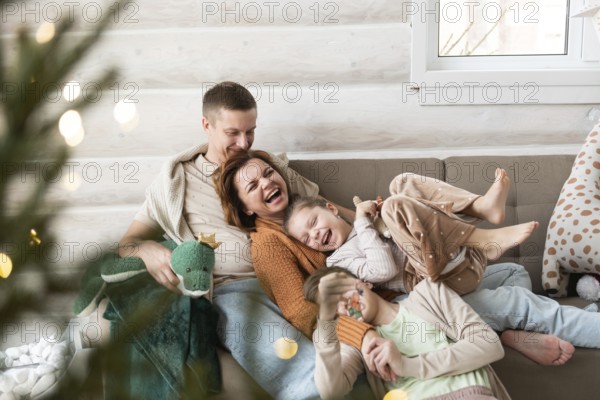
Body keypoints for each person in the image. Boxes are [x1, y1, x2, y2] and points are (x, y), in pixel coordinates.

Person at [218, 150, 600, 368]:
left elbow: (356, 230)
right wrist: (367, 334)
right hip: (404, 303)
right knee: (518, 301)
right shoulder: (270, 244)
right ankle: (485, 240)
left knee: (514, 272)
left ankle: (510, 331)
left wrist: (373, 215)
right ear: (245, 208)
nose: (267, 183)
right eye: (253, 186)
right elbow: (306, 312)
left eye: (268, 173)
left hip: (419, 274)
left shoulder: (315, 219)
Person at [116, 81, 342, 399]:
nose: (243, 142)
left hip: (295, 278)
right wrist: (149, 250)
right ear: (206, 125)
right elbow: (127, 244)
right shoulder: (177, 181)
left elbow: (330, 212)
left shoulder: (265, 169)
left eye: (250, 131)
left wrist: (372, 216)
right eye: (233, 133)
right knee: (295, 363)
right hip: (237, 291)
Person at [283, 171, 538, 295]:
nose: (314, 235)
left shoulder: (369, 222)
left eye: (313, 223)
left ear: (331, 209)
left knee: (400, 183)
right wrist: (363, 222)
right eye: (307, 239)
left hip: (463, 257)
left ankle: (482, 208)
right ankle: (486, 240)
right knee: (395, 206)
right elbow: (384, 270)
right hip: (432, 279)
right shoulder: (336, 261)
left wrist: (382, 218)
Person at [304, 266, 511, 400]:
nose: (344, 304)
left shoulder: (429, 294)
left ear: (363, 282)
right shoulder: (358, 346)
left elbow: (489, 344)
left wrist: (406, 365)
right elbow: (331, 392)